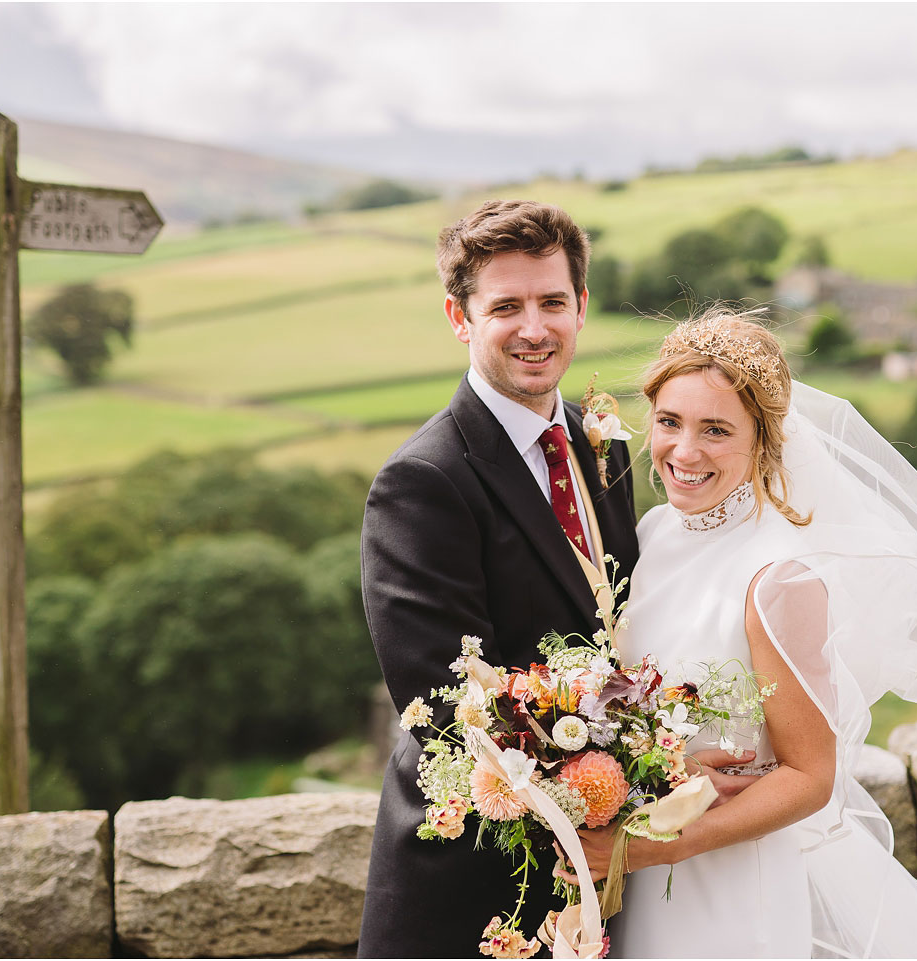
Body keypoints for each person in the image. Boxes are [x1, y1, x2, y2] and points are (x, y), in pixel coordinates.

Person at [565, 309, 917, 958]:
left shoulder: (777, 577)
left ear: (765, 438)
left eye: (716, 429)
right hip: (645, 877)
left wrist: (653, 845)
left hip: (728, 879)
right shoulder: (654, 536)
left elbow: (809, 776)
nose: (684, 451)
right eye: (669, 422)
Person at [356, 199, 648, 958]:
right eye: (505, 306)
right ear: (460, 317)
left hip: (606, 869)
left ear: (581, 306)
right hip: (476, 883)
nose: (534, 328)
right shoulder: (422, 481)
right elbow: (450, 703)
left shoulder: (602, 446)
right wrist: (624, 758)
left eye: (553, 301)